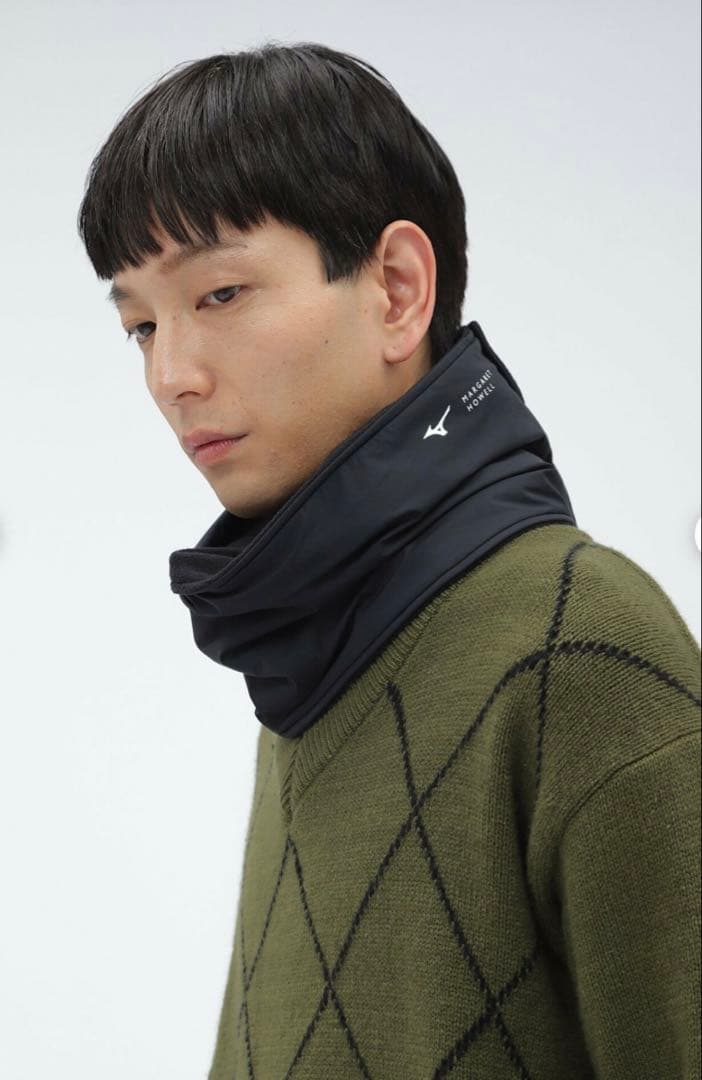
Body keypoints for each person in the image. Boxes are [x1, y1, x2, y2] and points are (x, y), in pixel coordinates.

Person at [77, 41, 701, 1080]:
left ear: (400, 290)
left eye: (219, 294)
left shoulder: (580, 649)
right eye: (139, 325)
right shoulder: (311, 652)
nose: (171, 374)